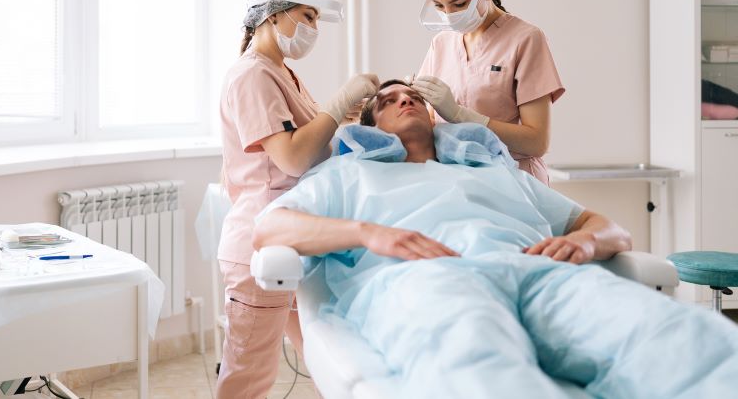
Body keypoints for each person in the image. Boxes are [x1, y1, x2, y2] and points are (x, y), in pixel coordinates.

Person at [254, 80, 738, 397]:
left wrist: (589, 244)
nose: (405, 100)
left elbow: (609, 227)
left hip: (535, 271)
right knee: (476, 360)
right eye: (387, 101)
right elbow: (269, 229)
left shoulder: (492, 170)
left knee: (682, 338)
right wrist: (368, 233)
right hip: (424, 280)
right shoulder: (347, 174)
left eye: (413, 97)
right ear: (370, 128)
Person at [216, 0, 379, 398]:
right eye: (307, 17)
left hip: (294, 239)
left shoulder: (280, 71)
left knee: (329, 362)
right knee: (247, 376)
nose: (312, 29)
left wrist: (342, 116)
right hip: (261, 243)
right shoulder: (252, 74)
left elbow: (303, 136)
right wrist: (339, 102)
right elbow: (290, 157)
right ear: (273, 15)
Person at [410, 0, 563, 183]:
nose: (449, 16)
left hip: (514, 180)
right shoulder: (442, 42)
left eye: (460, 3)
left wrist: (461, 116)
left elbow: (537, 142)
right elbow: (427, 122)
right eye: (439, 6)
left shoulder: (525, 39)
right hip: (457, 181)